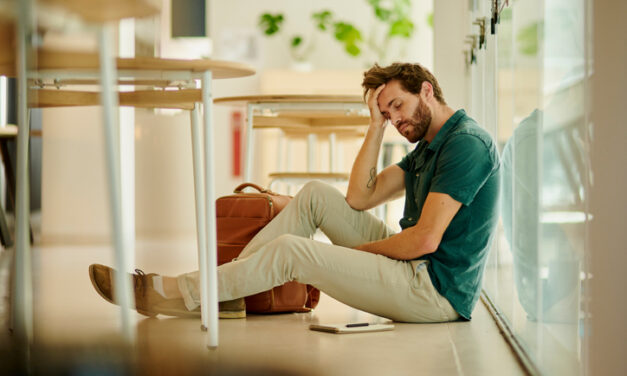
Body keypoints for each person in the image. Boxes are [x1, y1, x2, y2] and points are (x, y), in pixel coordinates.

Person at [89, 62, 501, 323]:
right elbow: (360, 197)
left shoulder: (465, 144)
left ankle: (180, 291)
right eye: (386, 112)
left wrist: (351, 257)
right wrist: (373, 126)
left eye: (396, 106)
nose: (394, 119)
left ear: (426, 89)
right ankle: (227, 295)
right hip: (414, 268)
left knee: (292, 251)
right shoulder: (428, 145)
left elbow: (425, 240)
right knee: (317, 194)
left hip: (433, 290)